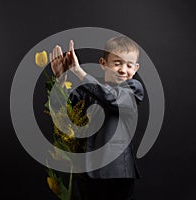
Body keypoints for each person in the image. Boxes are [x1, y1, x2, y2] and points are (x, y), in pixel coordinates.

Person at [49, 36, 144, 200]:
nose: (123, 69)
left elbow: (110, 98)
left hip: (117, 173)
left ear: (136, 68)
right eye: (117, 63)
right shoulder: (89, 89)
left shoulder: (133, 88)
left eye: (129, 65)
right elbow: (64, 110)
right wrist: (60, 80)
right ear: (103, 63)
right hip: (88, 172)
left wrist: (78, 71)